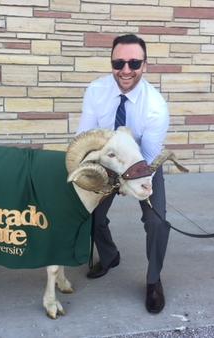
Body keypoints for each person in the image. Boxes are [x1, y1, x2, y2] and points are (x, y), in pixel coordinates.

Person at [76, 34, 170, 314]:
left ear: (145, 64)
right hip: (108, 162)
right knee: (91, 214)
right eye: (119, 62)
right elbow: (85, 136)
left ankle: (153, 280)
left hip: (143, 165)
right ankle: (109, 256)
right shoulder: (96, 91)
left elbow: (150, 160)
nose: (126, 69)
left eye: (133, 62)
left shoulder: (155, 105)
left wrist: (129, 185)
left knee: (156, 222)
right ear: (112, 63)